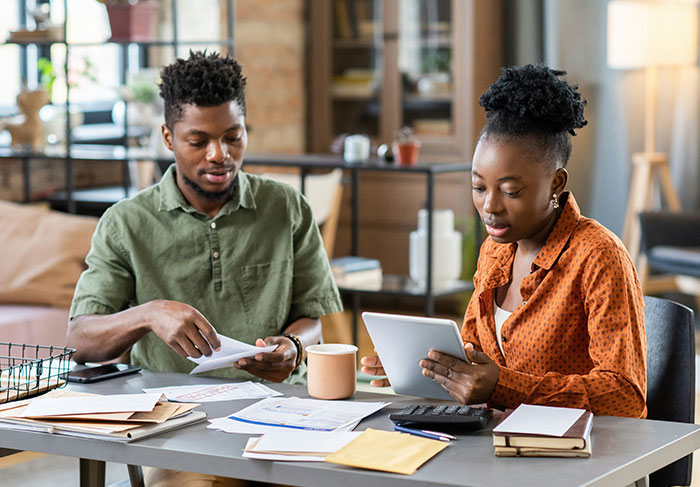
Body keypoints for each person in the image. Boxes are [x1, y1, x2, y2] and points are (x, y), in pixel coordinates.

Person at [67, 51, 343, 486]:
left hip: (286, 413)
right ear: (168, 137)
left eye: (233, 137)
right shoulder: (126, 223)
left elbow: (315, 321)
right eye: (198, 141)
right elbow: (80, 341)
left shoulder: (285, 207)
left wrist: (293, 347)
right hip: (177, 424)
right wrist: (148, 314)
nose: (220, 155)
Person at [361, 64, 646, 418]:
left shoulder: (599, 257)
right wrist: (425, 369)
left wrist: (504, 386)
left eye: (511, 191)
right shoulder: (494, 251)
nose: (490, 207)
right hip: (494, 447)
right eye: (478, 187)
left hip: (576, 458)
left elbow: (625, 396)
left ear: (557, 183)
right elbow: (471, 354)